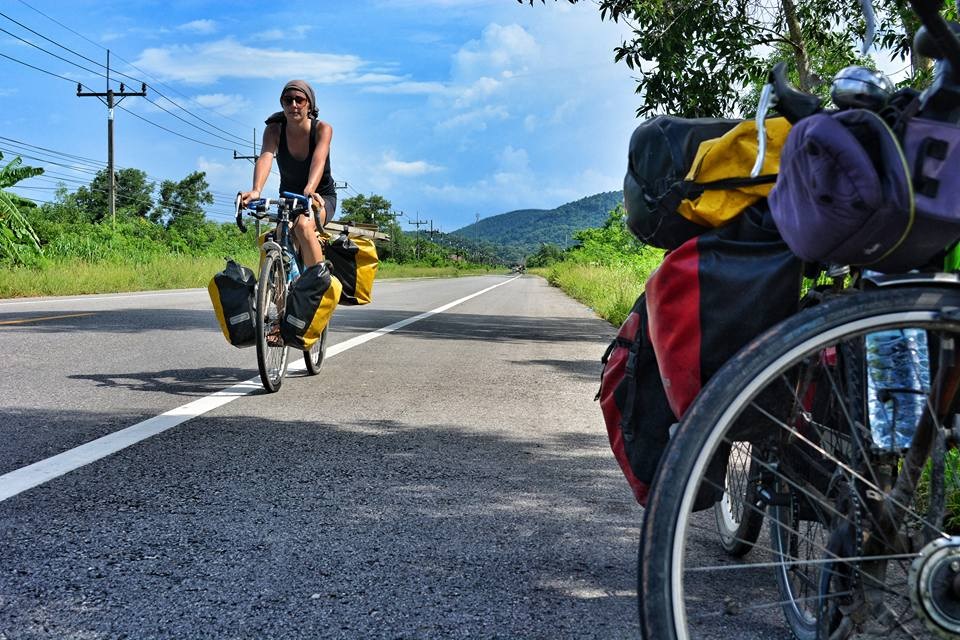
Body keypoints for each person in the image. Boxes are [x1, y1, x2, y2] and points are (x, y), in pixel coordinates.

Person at [241, 79, 336, 267]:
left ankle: (316, 286)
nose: (293, 105)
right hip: (288, 200)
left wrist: (309, 189)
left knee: (303, 226)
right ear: (282, 103)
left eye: (299, 100)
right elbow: (266, 157)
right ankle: (277, 289)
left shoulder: (322, 129)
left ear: (309, 104)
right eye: (288, 100)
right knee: (279, 236)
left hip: (320, 196)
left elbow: (319, 160)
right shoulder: (274, 130)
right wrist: (256, 190)